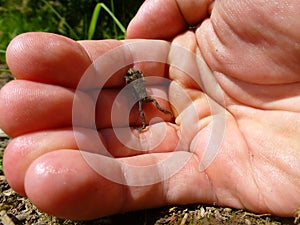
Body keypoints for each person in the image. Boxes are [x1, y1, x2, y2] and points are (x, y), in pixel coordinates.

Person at [0, 0, 299, 220]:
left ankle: (155, 119)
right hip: (134, 100)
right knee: (142, 111)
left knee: (149, 108)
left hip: (143, 98)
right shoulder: (132, 80)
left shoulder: (139, 79)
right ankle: (148, 122)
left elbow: (139, 83)